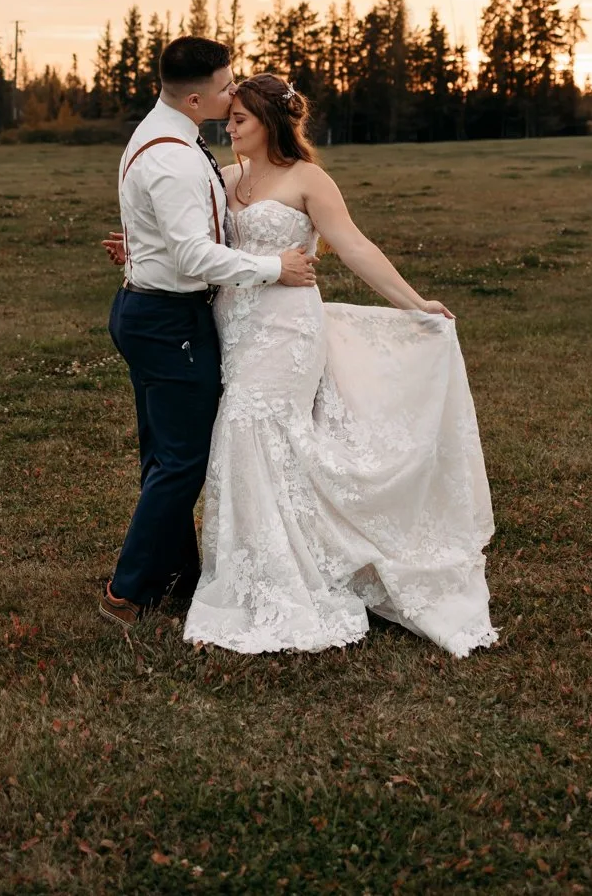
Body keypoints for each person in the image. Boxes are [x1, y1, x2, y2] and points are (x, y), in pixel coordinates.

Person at [181, 73, 498, 656]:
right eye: (229, 121)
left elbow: (353, 246)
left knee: (251, 429)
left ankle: (285, 574)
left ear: (271, 122)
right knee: (256, 441)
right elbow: (191, 241)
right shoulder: (226, 179)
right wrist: (141, 253)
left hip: (288, 330)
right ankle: (260, 565)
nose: (229, 130)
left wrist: (415, 302)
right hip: (237, 326)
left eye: (240, 121)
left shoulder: (309, 180)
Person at [99, 39, 317, 629]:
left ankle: (174, 578)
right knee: (183, 462)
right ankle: (126, 590)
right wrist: (275, 268)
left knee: (163, 455)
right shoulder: (171, 155)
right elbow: (195, 255)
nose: (233, 93)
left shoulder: (163, 130)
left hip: (150, 306)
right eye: (225, 87)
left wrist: (144, 249)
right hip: (169, 319)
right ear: (196, 97)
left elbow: (172, 226)